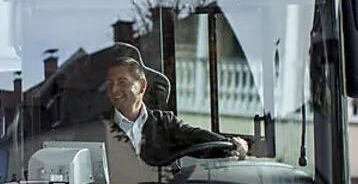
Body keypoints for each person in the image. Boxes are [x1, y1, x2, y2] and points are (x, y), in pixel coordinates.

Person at [104, 56, 249, 168]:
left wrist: (233, 145)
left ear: (142, 86)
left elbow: (199, 138)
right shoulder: (98, 127)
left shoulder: (166, 124)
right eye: (110, 83)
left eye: (122, 82)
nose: (114, 89)